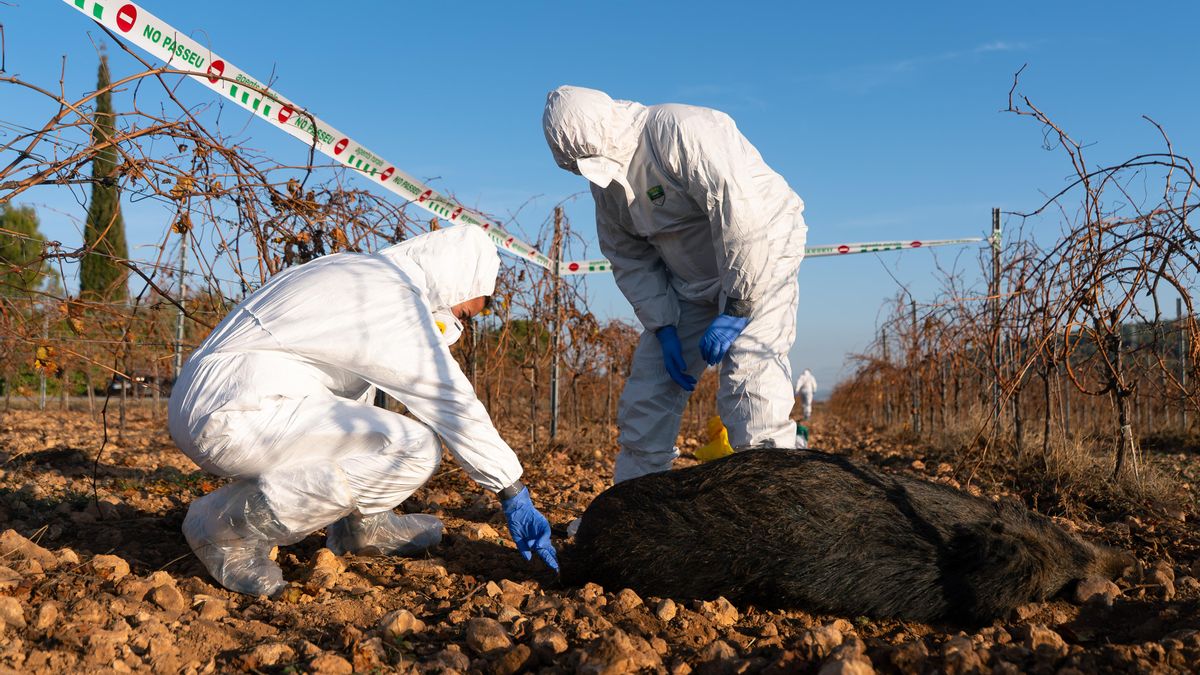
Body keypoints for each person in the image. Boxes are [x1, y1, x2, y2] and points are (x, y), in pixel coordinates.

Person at [167, 226, 558, 597]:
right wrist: (511, 489)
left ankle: (359, 528)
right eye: (464, 313)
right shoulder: (395, 301)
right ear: (455, 282)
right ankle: (229, 527)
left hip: (228, 401)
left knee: (367, 423)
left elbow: (352, 404)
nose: (458, 324)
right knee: (414, 447)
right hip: (237, 413)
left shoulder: (357, 273)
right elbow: (451, 400)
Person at [543, 85, 808, 483]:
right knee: (648, 394)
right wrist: (663, 324)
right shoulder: (605, 184)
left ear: (607, 130)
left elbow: (738, 213)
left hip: (763, 256)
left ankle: (780, 509)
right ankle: (633, 508)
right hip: (691, 281)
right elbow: (629, 256)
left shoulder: (678, 129)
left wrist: (738, 303)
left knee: (751, 386)